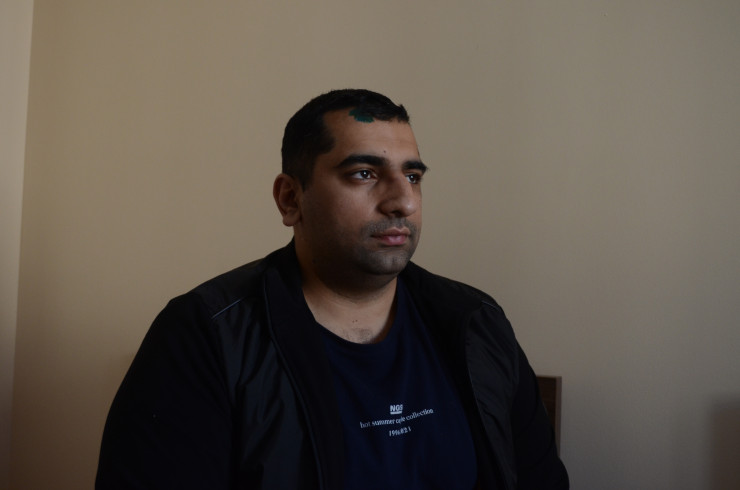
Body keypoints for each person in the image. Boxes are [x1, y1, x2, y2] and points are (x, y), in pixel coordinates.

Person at [96, 89, 569, 489]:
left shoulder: (476, 323)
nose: (402, 201)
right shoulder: (203, 336)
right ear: (290, 198)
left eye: (412, 176)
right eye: (364, 173)